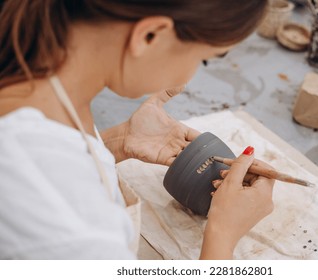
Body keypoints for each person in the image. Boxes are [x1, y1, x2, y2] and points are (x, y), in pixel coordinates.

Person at [0, 0, 274, 259]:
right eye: (203, 59)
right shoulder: (75, 229)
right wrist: (222, 235)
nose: (190, 76)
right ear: (150, 35)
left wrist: (116, 142)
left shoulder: (35, 79)